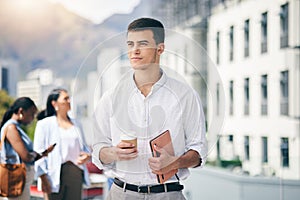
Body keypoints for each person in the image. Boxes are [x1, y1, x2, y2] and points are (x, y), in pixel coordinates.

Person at [92, 17, 208, 199]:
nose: (134, 51)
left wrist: (175, 162)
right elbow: (98, 150)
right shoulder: (110, 97)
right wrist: (113, 153)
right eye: (130, 44)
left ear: (160, 48)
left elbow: (198, 152)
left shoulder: (185, 95)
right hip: (121, 194)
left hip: (167, 194)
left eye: (143, 44)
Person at [33, 88, 91, 200]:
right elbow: (38, 153)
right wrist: (43, 177)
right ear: (54, 103)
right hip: (53, 174)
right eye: (65, 98)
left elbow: (85, 148)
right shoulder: (44, 124)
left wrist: (87, 156)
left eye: (69, 98)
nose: (69, 101)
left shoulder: (77, 124)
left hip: (75, 173)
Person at [0, 97, 38, 200]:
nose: (32, 118)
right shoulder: (11, 128)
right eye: (31, 114)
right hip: (15, 181)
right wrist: (35, 154)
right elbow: (25, 156)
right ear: (21, 111)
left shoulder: (15, 127)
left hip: (19, 181)